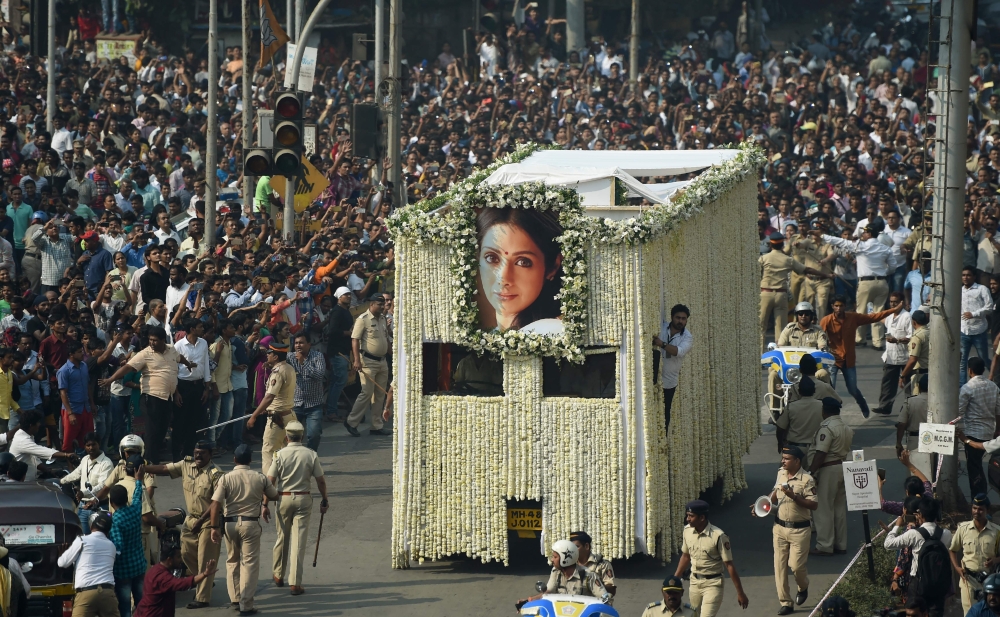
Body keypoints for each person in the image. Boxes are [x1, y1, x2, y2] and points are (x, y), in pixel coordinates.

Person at [139, 441, 223, 609]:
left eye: (202, 453)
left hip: (208, 521)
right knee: (184, 553)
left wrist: (202, 521)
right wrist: (144, 469)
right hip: (191, 519)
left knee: (205, 557)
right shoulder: (186, 465)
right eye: (196, 452)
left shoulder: (216, 474)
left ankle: (202, 598)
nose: (198, 456)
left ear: (210, 454)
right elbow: (165, 469)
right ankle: (204, 578)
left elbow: (216, 503)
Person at [98, 326, 189, 464]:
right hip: (151, 397)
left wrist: (189, 364)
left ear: (163, 340)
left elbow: (179, 358)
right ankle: (150, 462)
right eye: (150, 340)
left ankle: (153, 456)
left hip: (167, 397)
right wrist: (110, 380)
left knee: (162, 429)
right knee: (152, 430)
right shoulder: (145, 354)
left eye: (155, 340)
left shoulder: (171, 349)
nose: (152, 343)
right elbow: (127, 367)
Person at [209, 445, 279, 617]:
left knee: (232, 560)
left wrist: (214, 527)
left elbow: (216, 504)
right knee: (249, 564)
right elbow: (274, 495)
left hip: (230, 524)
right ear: (250, 460)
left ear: (234, 459)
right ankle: (246, 604)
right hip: (250, 524)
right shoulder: (259, 477)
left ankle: (235, 597)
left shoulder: (225, 478)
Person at [475, 207, 565, 334]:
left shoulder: (551, 333)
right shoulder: (496, 336)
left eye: (523, 262)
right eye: (491, 258)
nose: (503, 278)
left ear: (553, 267)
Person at [264, 421, 328, 595]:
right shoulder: (310, 454)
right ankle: (295, 582)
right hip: (303, 498)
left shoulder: (279, 454)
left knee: (281, 537)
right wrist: (324, 499)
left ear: (286, 437)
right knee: (298, 542)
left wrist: (265, 503)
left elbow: (270, 481)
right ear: (302, 436)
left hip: (283, 498)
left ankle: (278, 574)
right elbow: (320, 480)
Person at [752, 446, 816, 615]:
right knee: (779, 567)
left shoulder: (807, 479)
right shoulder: (781, 473)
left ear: (797, 461)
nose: (783, 461)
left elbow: (814, 504)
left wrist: (794, 496)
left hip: (799, 531)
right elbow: (775, 491)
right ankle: (786, 602)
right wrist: (763, 505)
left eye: (787, 458)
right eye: (783, 458)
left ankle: (803, 587)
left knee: (795, 566)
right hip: (779, 528)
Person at [820, 294, 902, 418]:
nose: (838, 308)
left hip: (848, 360)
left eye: (841, 306)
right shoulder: (826, 320)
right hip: (832, 360)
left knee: (853, 389)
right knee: (830, 389)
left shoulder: (853, 318)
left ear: (845, 306)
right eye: (836, 306)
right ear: (832, 307)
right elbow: (819, 336)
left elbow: (873, 317)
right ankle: (831, 415)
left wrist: (892, 311)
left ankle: (862, 403)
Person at [818, 224, 895, 348]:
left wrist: (822, 236)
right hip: (882, 282)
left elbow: (841, 241)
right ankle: (878, 341)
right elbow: (893, 267)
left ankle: (860, 338)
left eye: (864, 233)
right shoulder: (885, 248)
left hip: (865, 282)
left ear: (869, 234)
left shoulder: (861, 246)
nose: (862, 235)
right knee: (878, 312)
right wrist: (883, 273)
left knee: (861, 312)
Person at [673, 500, 749, 616]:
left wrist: (740, 593)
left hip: (713, 584)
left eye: (691, 516)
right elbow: (685, 556)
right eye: (687, 515)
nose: (687, 519)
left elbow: (729, 565)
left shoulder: (719, 536)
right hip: (694, 583)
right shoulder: (687, 531)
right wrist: (675, 579)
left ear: (702, 517)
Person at [759, 232, 832, 352]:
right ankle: (779, 356)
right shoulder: (788, 260)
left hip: (765, 293)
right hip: (781, 295)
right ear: (782, 244)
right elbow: (806, 269)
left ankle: (760, 356)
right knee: (781, 329)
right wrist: (826, 274)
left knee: (761, 327)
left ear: (770, 245)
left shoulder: (764, 258)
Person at [881, 497, 952, 617]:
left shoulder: (914, 534)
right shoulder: (946, 534)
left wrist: (897, 526)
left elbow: (888, 544)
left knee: (915, 613)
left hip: (918, 584)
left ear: (920, 515)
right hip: (939, 583)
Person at [809, 397, 854, 556]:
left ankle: (824, 545)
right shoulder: (846, 427)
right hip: (843, 467)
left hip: (828, 469)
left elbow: (821, 452)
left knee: (823, 508)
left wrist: (811, 471)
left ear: (824, 410)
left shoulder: (827, 428)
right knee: (839, 507)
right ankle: (840, 544)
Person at [56, 510, 119, 617]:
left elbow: (62, 563)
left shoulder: (82, 540)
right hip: (108, 593)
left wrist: (63, 554)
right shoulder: (111, 546)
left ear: (91, 527)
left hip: (86, 594)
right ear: (108, 532)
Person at [247, 341, 296, 475]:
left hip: (277, 418)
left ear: (275, 357)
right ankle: (291, 482)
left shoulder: (277, 372)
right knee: (289, 452)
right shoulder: (289, 368)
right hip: (289, 415)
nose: (267, 355)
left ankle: (269, 488)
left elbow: (269, 397)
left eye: (269, 353)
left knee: (268, 451)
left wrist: (254, 416)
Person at [131, 542, 217, 617]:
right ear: (169, 560)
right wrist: (205, 574)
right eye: (178, 557)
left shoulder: (155, 569)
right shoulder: (163, 577)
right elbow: (182, 584)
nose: (180, 560)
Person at [345, 294, 390, 437]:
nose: (382, 307)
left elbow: (386, 337)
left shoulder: (382, 319)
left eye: (383, 304)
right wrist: (356, 360)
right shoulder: (363, 319)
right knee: (366, 392)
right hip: (368, 361)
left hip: (382, 361)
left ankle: (376, 425)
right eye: (379, 304)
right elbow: (355, 340)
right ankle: (352, 422)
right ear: (371, 304)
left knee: (379, 395)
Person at [515, 540, 609, 607]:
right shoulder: (556, 573)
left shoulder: (589, 576)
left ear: (565, 559)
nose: (552, 560)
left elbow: (606, 600)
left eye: (555, 557)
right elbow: (547, 593)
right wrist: (528, 601)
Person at [949, 493, 1000, 615]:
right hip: (969, 580)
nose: (977, 511)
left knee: (990, 612)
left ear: (987, 510)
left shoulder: (997, 531)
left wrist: (995, 560)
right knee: (970, 613)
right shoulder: (963, 529)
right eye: (974, 508)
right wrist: (957, 568)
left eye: (981, 509)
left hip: (990, 581)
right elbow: (952, 550)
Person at [108, 463, 146, 617]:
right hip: (139, 566)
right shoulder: (135, 510)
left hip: (123, 572)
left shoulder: (115, 521)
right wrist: (139, 480)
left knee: (124, 607)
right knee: (141, 602)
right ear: (125, 499)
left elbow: (117, 547)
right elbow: (137, 496)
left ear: (111, 503)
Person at [959, 357, 1000, 498]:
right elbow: (998, 411)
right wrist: (997, 430)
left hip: (972, 435)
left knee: (974, 469)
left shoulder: (967, 388)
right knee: (981, 466)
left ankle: (979, 499)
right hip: (989, 432)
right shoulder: (993, 386)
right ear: (983, 370)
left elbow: (959, 411)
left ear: (969, 370)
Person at [60, 432, 113, 532]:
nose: (91, 448)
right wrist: (61, 481)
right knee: (83, 538)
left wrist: (83, 493)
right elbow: (76, 473)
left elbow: (102, 486)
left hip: (99, 507)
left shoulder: (107, 463)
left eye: (93, 444)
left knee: (98, 539)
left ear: (99, 444)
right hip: (83, 506)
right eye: (88, 445)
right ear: (84, 446)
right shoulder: (85, 459)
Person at [652, 304, 692, 434]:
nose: (680, 321)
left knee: (664, 412)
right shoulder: (662, 327)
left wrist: (662, 344)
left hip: (669, 381)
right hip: (652, 379)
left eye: (683, 319)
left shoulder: (687, 337)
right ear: (672, 317)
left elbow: (678, 352)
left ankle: (662, 438)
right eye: (678, 318)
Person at [8, 410, 77, 481]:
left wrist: (48, 470)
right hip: (23, 483)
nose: (39, 425)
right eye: (37, 422)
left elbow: (34, 458)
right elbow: (41, 451)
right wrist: (66, 455)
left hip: (30, 480)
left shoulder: (27, 435)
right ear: (31, 425)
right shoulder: (22, 440)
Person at [874, 292, 913, 415]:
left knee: (908, 385)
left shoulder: (907, 316)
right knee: (887, 383)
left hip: (905, 356)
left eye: (895, 302)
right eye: (891, 302)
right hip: (891, 356)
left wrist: (897, 340)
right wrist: (872, 315)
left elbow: (912, 336)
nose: (893, 304)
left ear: (902, 303)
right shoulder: (890, 316)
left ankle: (910, 409)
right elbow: (883, 320)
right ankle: (885, 407)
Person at [288, 334, 326, 451]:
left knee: (314, 435)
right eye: (296, 343)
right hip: (296, 404)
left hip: (314, 405)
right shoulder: (289, 357)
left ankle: (310, 459)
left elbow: (320, 375)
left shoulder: (317, 356)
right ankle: (294, 460)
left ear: (309, 344)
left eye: (301, 343)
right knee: (292, 437)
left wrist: (303, 362)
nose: (298, 346)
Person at [58, 340, 96, 452]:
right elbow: (63, 393)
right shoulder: (64, 370)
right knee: (69, 440)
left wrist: (92, 403)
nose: (82, 354)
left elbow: (88, 385)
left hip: (85, 407)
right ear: (71, 354)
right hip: (72, 409)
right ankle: (69, 466)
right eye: (79, 352)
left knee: (87, 438)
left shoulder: (84, 366)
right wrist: (70, 413)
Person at [776, 378, 823, 467]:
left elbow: (780, 428)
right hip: (815, 451)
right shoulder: (822, 406)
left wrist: (780, 443)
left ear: (799, 391)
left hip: (794, 450)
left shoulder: (791, 407)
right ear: (814, 390)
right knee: (813, 478)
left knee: (786, 478)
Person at [324, 286, 354, 421]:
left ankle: (331, 409)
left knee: (338, 381)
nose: (348, 296)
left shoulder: (345, 310)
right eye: (345, 294)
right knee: (339, 381)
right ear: (339, 297)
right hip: (338, 352)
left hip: (344, 350)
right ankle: (331, 411)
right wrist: (347, 333)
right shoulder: (337, 312)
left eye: (349, 294)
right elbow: (332, 331)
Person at [962, 266, 995, 385]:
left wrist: (974, 314)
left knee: (984, 359)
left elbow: (989, 307)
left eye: (968, 275)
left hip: (979, 330)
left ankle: (995, 381)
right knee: (962, 362)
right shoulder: (960, 291)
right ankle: (963, 388)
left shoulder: (981, 289)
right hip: (964, 330)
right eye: (963, 275)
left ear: (974, 277)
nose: (965, 277)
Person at [896, 375, 931, 478]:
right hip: (935, 440)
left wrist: (898, 444)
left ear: (919, 387)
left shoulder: (910, 401)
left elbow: (901, 424)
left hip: (915, 441)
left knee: (915, 472)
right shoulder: (940, 402)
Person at [569, 531, 616, 600]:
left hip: (595, 604)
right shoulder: (570, 564)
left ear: (586, 546)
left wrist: (594, 586)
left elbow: (612, 590)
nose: (573, 550)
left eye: (577, 547)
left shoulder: (602, 564)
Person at [899, 309, 930, 394]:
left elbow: (913, 359)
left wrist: (903, 375)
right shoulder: (931, 332)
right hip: (932, 374)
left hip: (920, 375)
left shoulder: (917, 336)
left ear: (914, 322)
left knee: (919, 401)